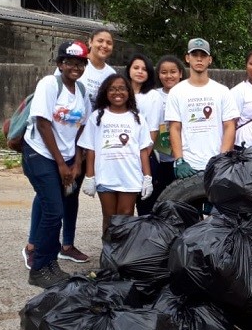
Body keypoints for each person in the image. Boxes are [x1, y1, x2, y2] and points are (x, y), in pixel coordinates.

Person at [21, 40, 92, 288]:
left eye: (81, 63)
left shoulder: (82, 92)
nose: (76, 67)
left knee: (57, 211)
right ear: (60, 63)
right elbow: (42, 123)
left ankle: (51, 264)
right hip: (39, 153)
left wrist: (77, 164)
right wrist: (62, 164)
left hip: (67, 157)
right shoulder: (50, 84)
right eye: (70, 62)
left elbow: (84, 127)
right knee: (53, 211)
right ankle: (39, 268)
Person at [79, 74, 153, 232]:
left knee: (126, 215)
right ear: (105, 93)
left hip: (130, 175)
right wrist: (90, 176)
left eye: (121, 89)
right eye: (112, 89)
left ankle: (123, 254)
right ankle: (109, 254)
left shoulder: (137, 118)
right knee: (110, 217)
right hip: (106, 176)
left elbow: (143, 151)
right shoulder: (97, 117)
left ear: (129, 92)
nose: (117, 93)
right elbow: (90, 149)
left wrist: (147, 177)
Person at [164, 38, 239, 178]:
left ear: (209, 59)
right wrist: (179, 160)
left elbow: (229, 126)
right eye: (195, 55)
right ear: (187, 58)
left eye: (203, 56)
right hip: (189, 165)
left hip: (215, 165)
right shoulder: (176, 91)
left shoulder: (222, 91)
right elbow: (175, 128)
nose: (199, 59)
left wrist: (222, 159)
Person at [143, 54, 186, 208]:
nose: (169, 76)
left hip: (183, 158)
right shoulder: (153, 95)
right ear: (158, 74)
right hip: (158, 156)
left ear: (180, 73)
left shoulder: (188, 93)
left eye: (173, 72)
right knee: (154, 200)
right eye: (164, 72)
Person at [126, 53, 164, 215]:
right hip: (122, 156)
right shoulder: (120, 93)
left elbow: (154, 130)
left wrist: (143, 158)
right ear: (128, 70)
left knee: (145, 206)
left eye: (144, 69)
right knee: (123, 206)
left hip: (145, 156)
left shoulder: (153, 96)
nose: (140, 71)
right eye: (136, 68)